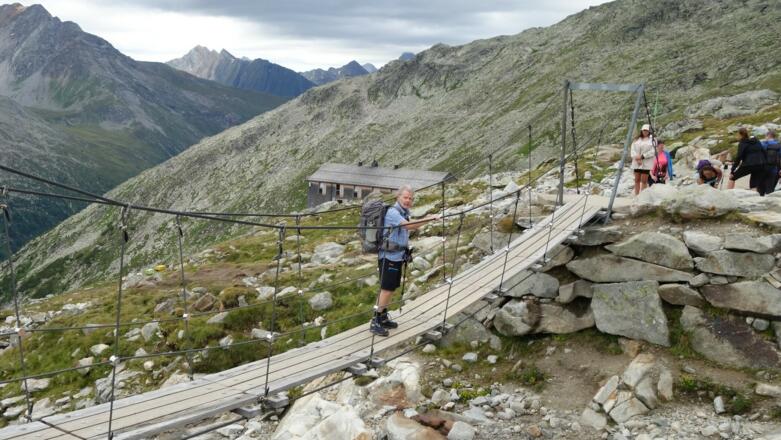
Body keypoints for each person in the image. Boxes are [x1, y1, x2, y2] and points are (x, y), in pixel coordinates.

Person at [371, 185, 439, 336]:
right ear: (398, 197)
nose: (408, 200)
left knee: (391, 288)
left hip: (396, 256)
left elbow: (408, 224)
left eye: (410, 198)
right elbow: (410, 226)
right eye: (405, 197)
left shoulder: (403, 212)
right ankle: (375, 321)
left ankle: (382, 317)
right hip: (388, 257)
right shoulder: (393, 212)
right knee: (386, 288)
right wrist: (429, 219)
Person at [727, 127, 768, 196]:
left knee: (732, 178)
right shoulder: (756, 141)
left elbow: (739, 157)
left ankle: (727, 195)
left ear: (740, 135)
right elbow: (764, 152)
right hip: (760, 165)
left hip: (748, 165)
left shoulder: (742, 143)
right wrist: (765, 163)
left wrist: (732, 170)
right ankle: (754, 199)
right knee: (753, 184)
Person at [630, 124, 656, 195]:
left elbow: (653, 151)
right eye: (644, 130)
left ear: (649, 131)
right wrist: (637, 158)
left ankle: (642, 196)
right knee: (636, 180)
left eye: (647, 130)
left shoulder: (653, 140)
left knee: (644, 181)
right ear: (641, 131)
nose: (645, 132)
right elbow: (632, 150)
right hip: (636, 163)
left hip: (646, 163)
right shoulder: (636, 140)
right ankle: (636, 196)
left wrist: (642, 156)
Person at [762, 129, 780, 194]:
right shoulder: (779, 145)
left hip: (762, 168)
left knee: (760, 188)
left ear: (768, 135)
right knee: (770, 188)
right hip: (773, 169)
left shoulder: (763, 144)